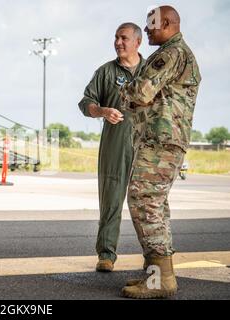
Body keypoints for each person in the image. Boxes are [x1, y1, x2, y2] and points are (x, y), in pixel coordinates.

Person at [120, 6, 201, 298]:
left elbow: (141, 92)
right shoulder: (177, 53)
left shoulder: (171, 53)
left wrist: (126, 91)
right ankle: (157, 274)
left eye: (151, 24)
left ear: (166, 23)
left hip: (160, 140)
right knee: (154, 203)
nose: (148, 28)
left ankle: (159, 281)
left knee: (144, 200)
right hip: (162, 140)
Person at [78, 23, 145, 272]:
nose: (118, 42)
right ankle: (106, 254)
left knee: (148, 203)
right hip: (115, 144)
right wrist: (102, 111)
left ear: (137, 42)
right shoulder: (106, 72)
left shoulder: (151, 70)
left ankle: (155, 255)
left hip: (147, 145)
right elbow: (86, 102)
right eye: (116, 37)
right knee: (111, 200)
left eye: (124, 38)